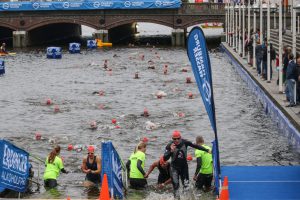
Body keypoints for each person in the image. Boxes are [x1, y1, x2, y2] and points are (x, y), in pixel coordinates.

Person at [162, 130, 210, 198]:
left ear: (180, 138)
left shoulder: (185, 142)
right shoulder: (169, 145)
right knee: (176, 185)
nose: (177, 140)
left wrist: (207, 150)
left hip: (184, 167)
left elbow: (196, 146)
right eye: (174, 139)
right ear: (172, 139)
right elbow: (164, 158)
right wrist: (171, 151)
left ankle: (186, 198)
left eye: (178, 138)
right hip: (174, 168)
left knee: (186, 185)